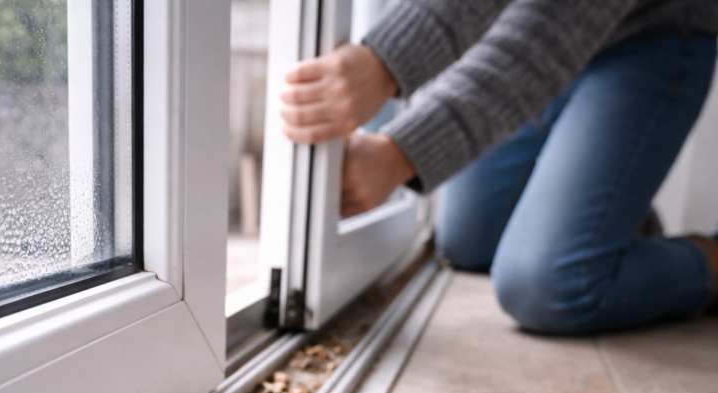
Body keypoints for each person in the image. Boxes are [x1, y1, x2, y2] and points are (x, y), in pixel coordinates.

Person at [280, 0, 718, 335]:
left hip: (657, 33)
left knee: (548, 286)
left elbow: (558, 28)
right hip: (546, 25)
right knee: (469, 241)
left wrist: (393, 107)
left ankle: (710, 259)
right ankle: (618, 213)